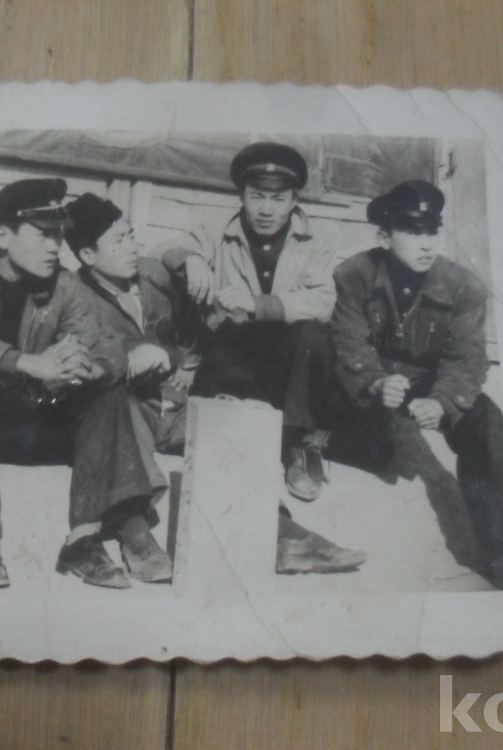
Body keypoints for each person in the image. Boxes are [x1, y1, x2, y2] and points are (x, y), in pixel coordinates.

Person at [0, 178, 168, 591]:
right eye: (43, 235)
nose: (55, 247)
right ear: (3, 236)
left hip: (27, 423)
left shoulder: (64, 285)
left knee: (109, 391)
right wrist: (28, 363)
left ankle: (85, 541)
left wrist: (89, 369)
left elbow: (105, 345)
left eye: (59, 236)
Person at [161, 144, 367, 574]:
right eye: (257, 196)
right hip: (234, 357)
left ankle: (301, 446)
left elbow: (322, 301)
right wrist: (192, 259)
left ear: (294, 200)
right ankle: (280, 535)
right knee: (224, 369)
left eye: (278, 198)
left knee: (312, 334)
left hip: (291, 361)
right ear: (242, 196)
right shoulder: (217, 228)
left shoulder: (320, 237)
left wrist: (259, 304)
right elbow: (170, 247)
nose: (267, 209)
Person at [329, 179, 503, 590]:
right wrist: (374, 382)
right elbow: (349, 344)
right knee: (369, 446)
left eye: (432, 231)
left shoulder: (465, 287)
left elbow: (467, 359)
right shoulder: (354, 275)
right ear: (384, 237)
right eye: (412, 231)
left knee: (485, 419)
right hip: (373, 383)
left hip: (428, 384)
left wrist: (443, 401)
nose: (426, 244)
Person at [64, 193, 205, 582]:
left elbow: (191, 318)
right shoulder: (74, 297)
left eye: (130, 235)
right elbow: (88, 354)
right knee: (118, 409)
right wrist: (132, 359)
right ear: (87, 255)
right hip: (133, 409)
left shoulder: (151, 274)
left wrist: (188, 361)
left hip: (176, 403)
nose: (132, 248)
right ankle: (136, 535)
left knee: (228, 433)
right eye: (118, 241)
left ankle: (282, 529)